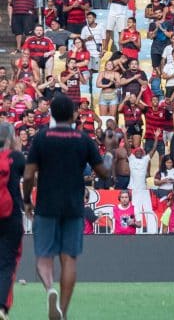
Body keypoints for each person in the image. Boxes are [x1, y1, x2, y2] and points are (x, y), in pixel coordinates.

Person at [22, 93, 119, 320]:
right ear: (74, 114)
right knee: (69, 259)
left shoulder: (42, 138)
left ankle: (49, 288)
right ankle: (63, 312)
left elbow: (28, 175)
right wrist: (110, 151)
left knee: (44, 259)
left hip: (46, 205)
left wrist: (27, 200)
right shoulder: (82, 139)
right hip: (74, 206)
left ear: (52, 113)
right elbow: (104, 173)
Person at [0, 122, 26, 320]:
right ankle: (1, 307)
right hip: (11, 216)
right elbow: (30, 174)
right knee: (7, 263)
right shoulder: (16, 158)